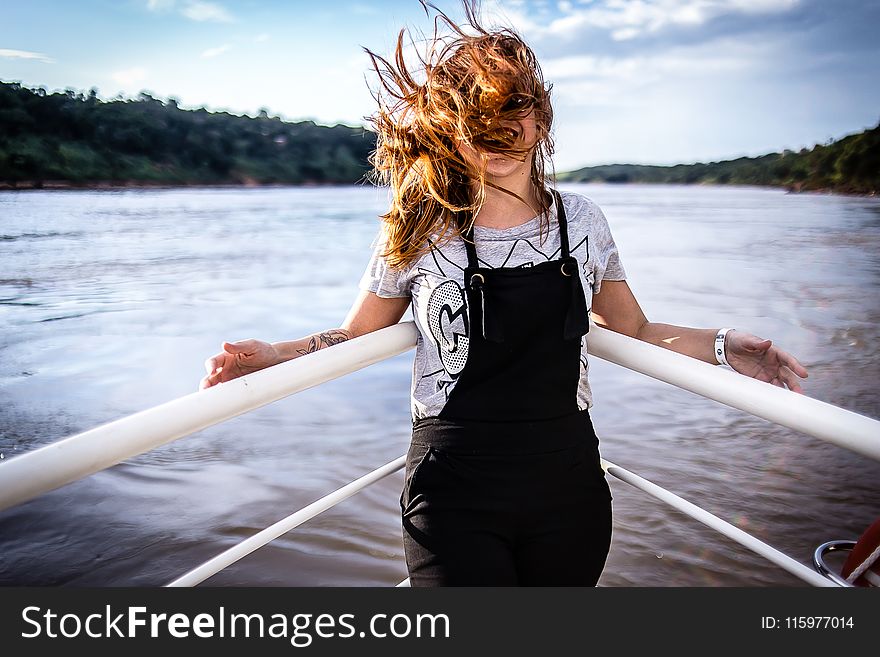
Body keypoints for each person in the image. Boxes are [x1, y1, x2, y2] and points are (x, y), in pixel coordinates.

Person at [199, 4, 809, 586]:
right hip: (453, 485)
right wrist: (275, 354)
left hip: (567, 480)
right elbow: (357, 335)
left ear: (540, 117)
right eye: (474, 113)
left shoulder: (582, 220)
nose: (496, 128)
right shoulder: (419, 224)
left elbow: (636, 332)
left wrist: (728, 346)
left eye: (511, 106)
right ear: (450, 128)